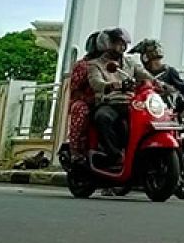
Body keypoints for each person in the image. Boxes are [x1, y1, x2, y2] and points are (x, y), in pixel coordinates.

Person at [86, 27, 157, 167]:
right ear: (108, 44)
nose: (122, 46)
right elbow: (96, 83)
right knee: (103, 117)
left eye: (124, 43)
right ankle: (115, 155)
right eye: (118, 43)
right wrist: (112, 85)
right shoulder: (95, 64)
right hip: (109, 103)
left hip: (130, 103)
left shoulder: (131, 62)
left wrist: (159, 83)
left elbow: (144, 74)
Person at [65, 32, 101, 163]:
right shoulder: (83, 65)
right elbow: (75, 89)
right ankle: (76, 150)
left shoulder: (112, 64)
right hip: (86, 101)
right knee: (81, 110)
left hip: (107, 100)